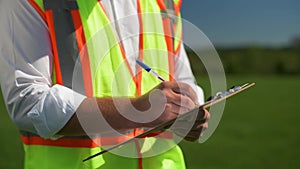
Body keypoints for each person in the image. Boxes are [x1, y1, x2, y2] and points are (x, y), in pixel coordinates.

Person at [0, 0, 210, 169]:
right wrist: (137, 110)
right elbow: (28, 104)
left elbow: (184, 81)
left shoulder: (165, 3)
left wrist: (188, 110)